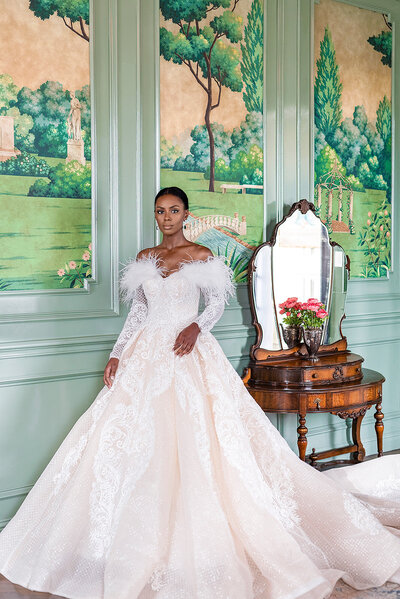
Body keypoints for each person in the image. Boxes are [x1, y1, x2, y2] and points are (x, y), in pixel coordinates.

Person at [0, 186, 399, 599]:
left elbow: (214, 305)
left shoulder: (202, 256)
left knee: (201, 439)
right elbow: (138, 313)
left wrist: (196, 326)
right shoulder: (144, 259)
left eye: (174, 210)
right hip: (145, 356)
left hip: (187, 350)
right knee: (127, 441)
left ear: (186, 214)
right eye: (160, 211)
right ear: (154, 215)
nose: (167, 217)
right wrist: (118, 354)